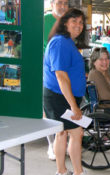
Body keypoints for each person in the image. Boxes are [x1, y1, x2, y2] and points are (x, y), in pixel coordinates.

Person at [43, 8, 100, 175]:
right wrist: (74, 107)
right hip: (60, 98)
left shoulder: (66, 41)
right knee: (77, 133)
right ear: (65, 22)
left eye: (81, 22)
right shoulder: (60, 42)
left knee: (61, 133)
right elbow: (60, 75)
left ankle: (61, 172)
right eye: (74, 21)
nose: (78, 25)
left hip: (59, 96)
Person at [44, 0, 69, 161]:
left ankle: (62, 143)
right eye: (59, 2)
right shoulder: (44, 21)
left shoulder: (68, 21)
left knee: (64, 108)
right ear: (52, 4)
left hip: (64, 70)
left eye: (66, 3)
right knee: (48, 111)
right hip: (47, 71)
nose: (63, 6)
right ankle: (51, 145)